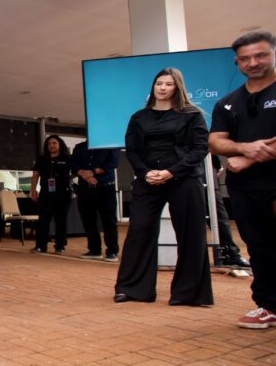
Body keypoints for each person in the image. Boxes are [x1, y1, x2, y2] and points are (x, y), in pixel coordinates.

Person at [114, 67, 213, 306]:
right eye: (159, 83)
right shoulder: (139, 117)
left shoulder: (192, 114)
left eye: (168, 84)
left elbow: (200, 148)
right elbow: (133, 151)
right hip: (148, 180)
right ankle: (133, 289)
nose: (162, 87)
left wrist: (171, 172)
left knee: (190, 234)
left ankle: (188, 294)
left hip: (184, 178)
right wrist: (146, 173)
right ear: (153, 86)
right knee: (139, 229)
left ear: (177, 88)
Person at [209, 30, 276, 328]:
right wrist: (242, 147)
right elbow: (216, 142)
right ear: (237, 63)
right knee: (258, 246)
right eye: (245, 58)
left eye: (260, 55)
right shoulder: (227, 103)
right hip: (246, 188)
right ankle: (268, 306)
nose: (253, 62)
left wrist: (248, 157)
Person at [69, 139, 121, 262]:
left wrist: (92, 172)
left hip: (105, 187)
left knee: (108, 220)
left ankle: (112, 251)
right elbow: (73, 164)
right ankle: (94, 250)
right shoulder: (80, 147)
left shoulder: (111, 144)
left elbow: (112, 163)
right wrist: (83, 173)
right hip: (85, 188)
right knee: (88, 220)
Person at [30, 135, 72, 255]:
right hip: (45, 194)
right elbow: (35, 175)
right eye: (49, 144)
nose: (51, 146)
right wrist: (33, 190)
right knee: (43, 220)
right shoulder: (42, 159)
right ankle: (41, 246)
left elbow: (75, 173)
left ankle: (60, 246)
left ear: (60, 145)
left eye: (54, 143)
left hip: (63, 194)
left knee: (61, 220)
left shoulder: (67, 158)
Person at [208, 155, 250, 269]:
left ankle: (230, 253)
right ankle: (231, 253)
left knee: (218, 214)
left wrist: (216, 163)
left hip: (204, 167)